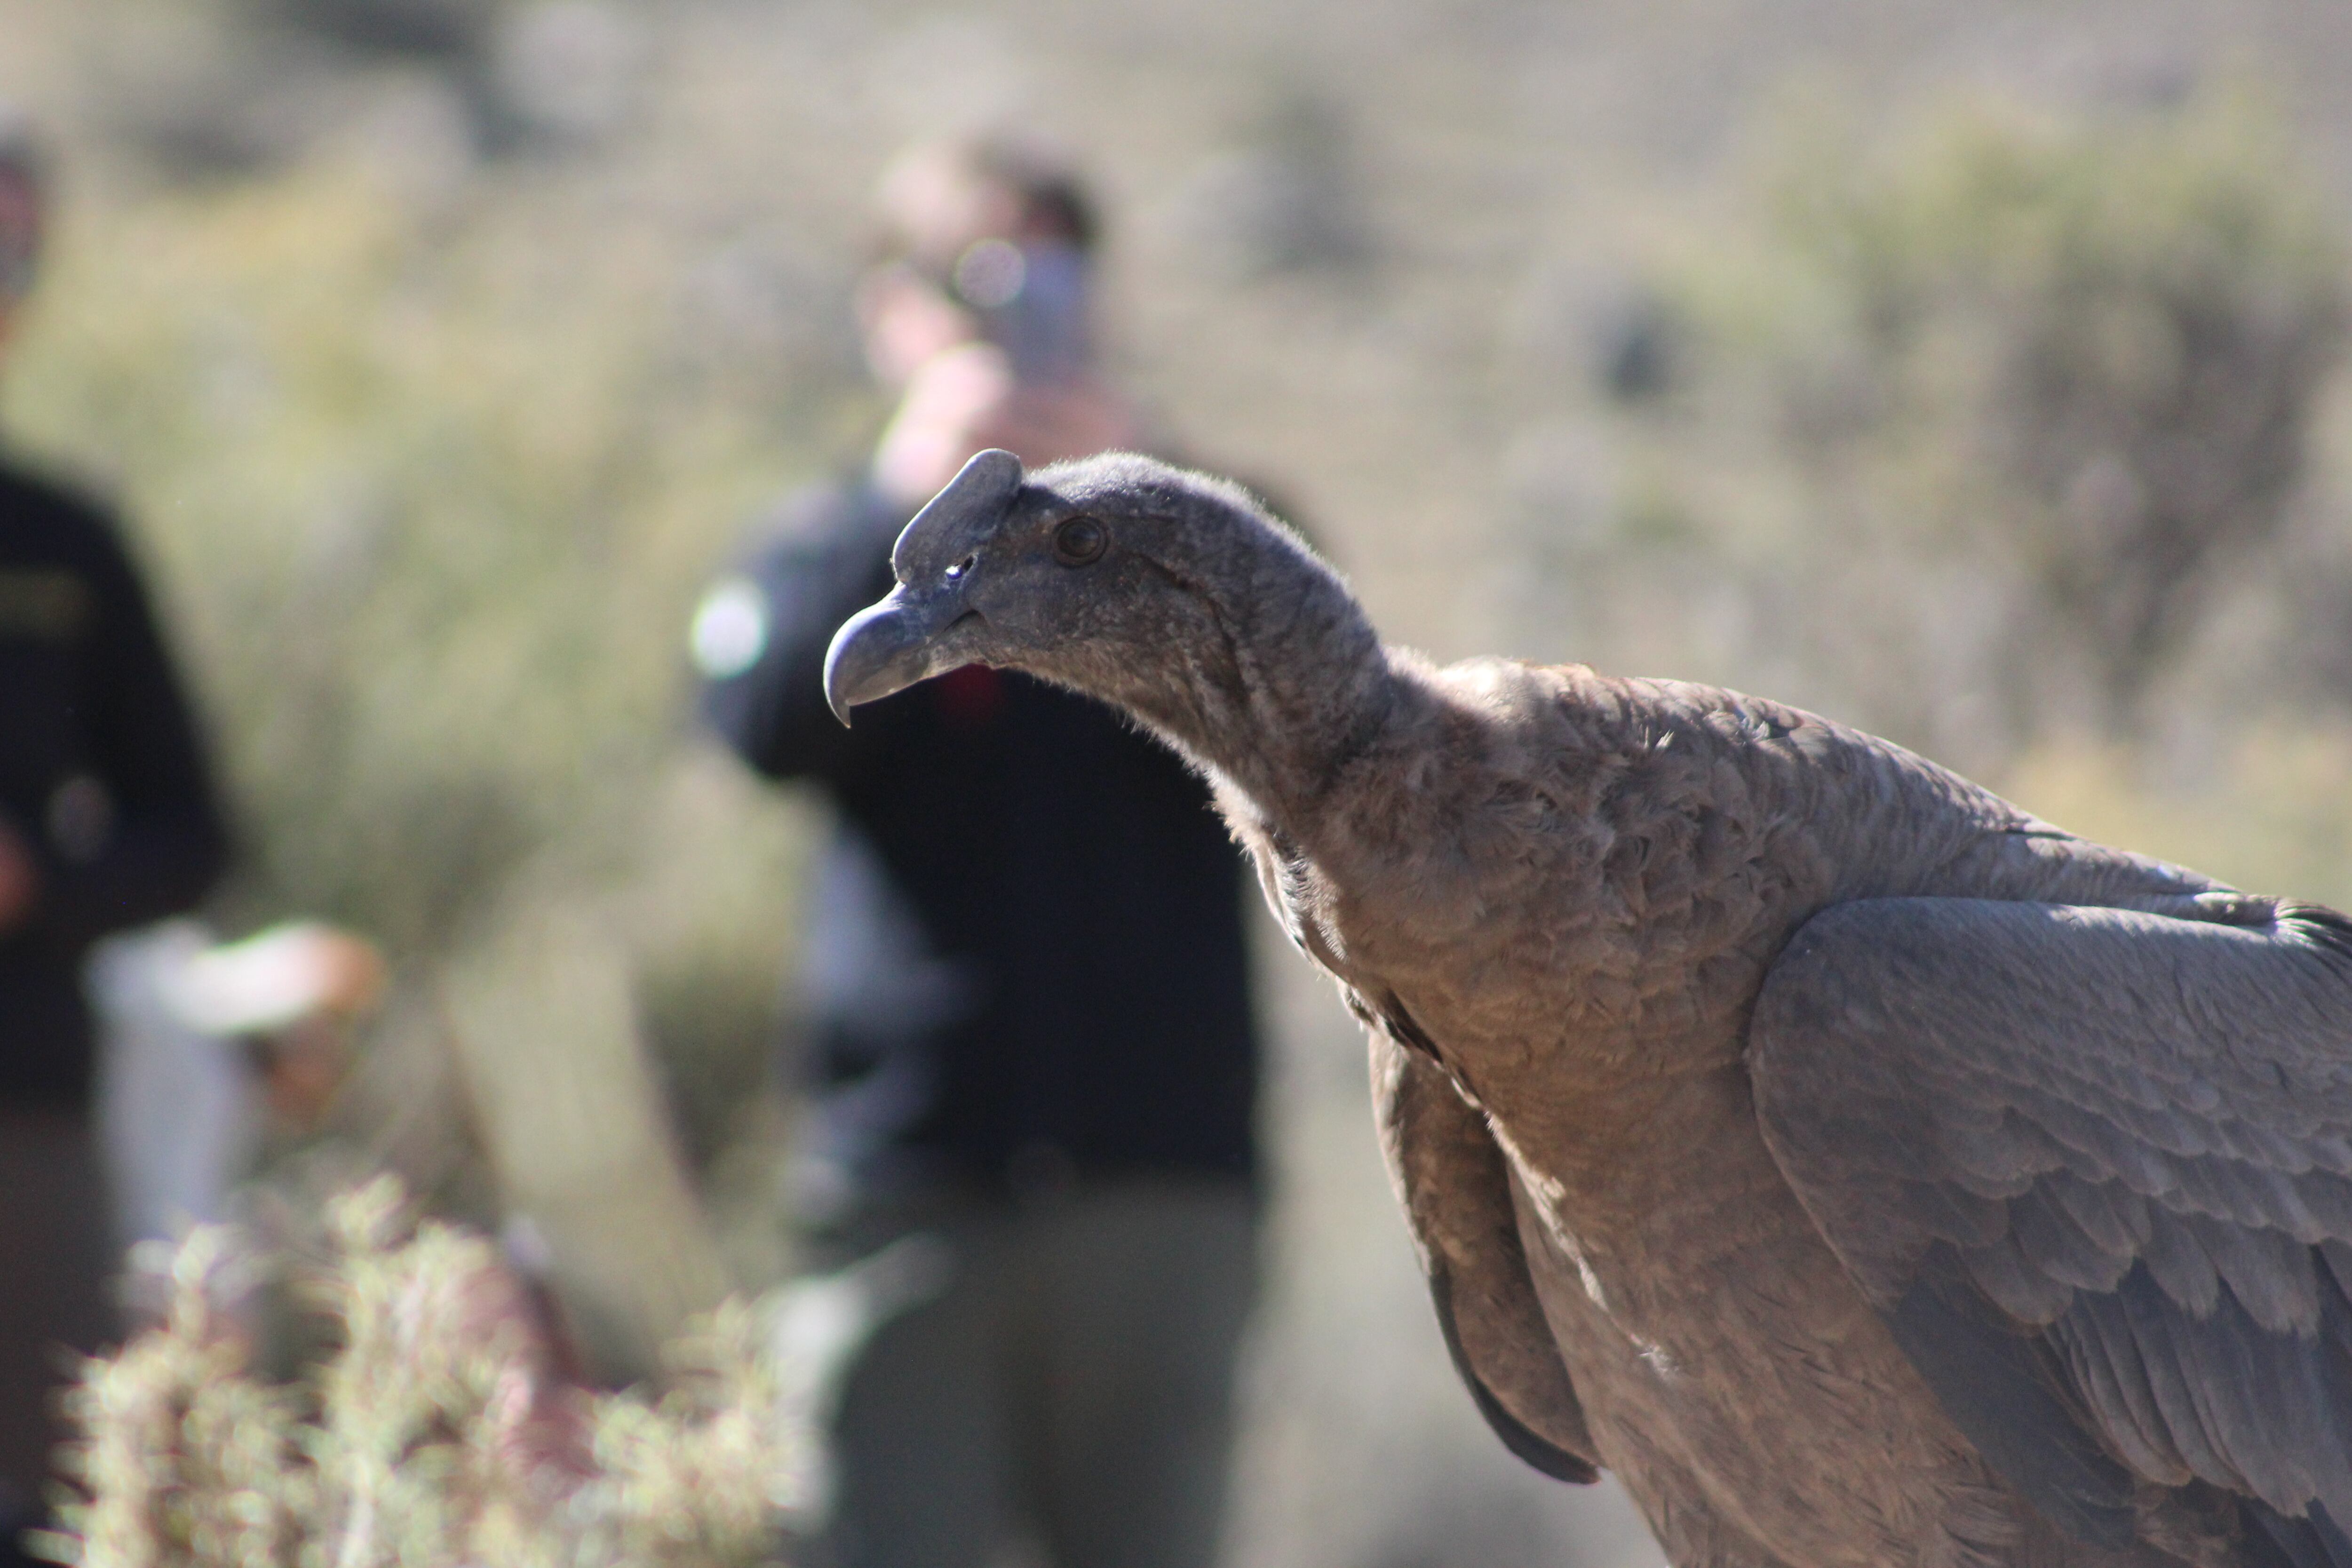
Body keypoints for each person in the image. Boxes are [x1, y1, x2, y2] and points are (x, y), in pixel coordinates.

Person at [692, 137, 1263, 1568]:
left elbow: (1325, 721)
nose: (1014, 323)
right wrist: (910, 497)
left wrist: (1139, 488)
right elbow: (758, 726)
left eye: (1051, 282)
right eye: (973, 286)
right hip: (910, 1182)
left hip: (1158, 1184)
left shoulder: (1208, 525)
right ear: (890, 313)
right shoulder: (830, 535)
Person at [0, 106, 232, 1555]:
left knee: (54, 1512)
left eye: (16, 254)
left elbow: (194, 829)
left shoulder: (63, 545)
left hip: (24, 1117)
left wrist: (39, 888)